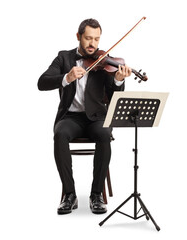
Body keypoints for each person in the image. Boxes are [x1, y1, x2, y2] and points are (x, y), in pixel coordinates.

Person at [38, 18, 132, 215]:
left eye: (96, 39)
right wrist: (66, 77)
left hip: (96, 118)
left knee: (104, 134)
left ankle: (96, 194)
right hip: (70, 118)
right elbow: (42, 82)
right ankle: (69, 195)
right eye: (88, 38)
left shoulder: (105, 59)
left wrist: (117, 81)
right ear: (78, 36)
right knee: (60, 134)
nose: (93, 44)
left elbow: (114, 97)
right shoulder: (63, 58)